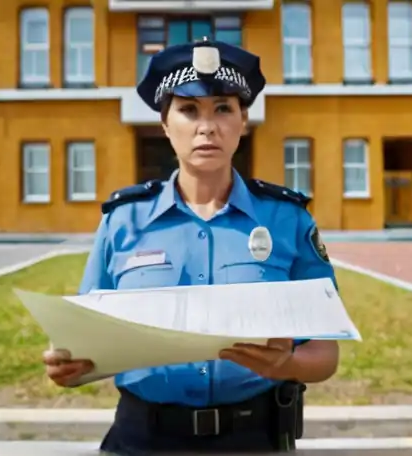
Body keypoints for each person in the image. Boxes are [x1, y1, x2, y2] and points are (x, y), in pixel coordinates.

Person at [43, 38, 340, 454]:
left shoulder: (287, 220)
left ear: (243, 121)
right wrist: (68, 366)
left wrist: (287, 364)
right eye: (188, 110)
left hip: (253, 437)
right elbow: (85, 343)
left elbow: (325, 352)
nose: (207, 126)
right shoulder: (123, 220)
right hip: (141, 438)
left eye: (223, 109)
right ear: (165, 125)